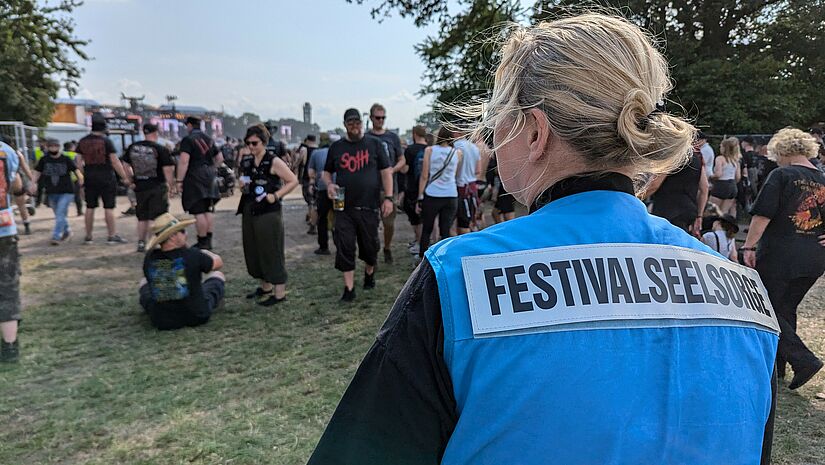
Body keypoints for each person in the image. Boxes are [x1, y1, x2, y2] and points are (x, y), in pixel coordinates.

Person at [308, 14, 780, 465]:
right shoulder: (746, 295)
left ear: (536, 132)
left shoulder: (459, 277)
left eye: (498, 117)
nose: (492, 136)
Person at [742, 127, 825, 391]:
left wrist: (748, 248)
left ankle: (803, 360)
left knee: (767, 309)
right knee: (785, 308)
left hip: (780, 254)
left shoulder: (782, 175)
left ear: (783, 151)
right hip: (814, 258)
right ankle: (778, 368)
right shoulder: (823, 179)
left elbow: (762, 215)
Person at [323, 108, 394, 302]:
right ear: (345, 125)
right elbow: (326, 172)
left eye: (357, 123)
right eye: (350, 123)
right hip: (343, 206)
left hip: (369, 206)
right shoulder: (336, 147)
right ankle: (349, 289)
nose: (354, 126)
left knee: (370, 247)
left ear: (362, 124)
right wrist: (329, 184)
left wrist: (389, 198)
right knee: (344, 245)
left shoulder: (374, 144)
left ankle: (369, 272)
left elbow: (386, 172)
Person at [236, 124, 299, 306]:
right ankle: (265, 286)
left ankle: (279, 293)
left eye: (255, 143)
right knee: (254, 249)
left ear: (264, 142)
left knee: (271, 249)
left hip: (268, 212)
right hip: (250, 208)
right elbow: (245, 180)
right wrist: (242, 184)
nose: (251, 146)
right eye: (248, 143)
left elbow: (293, 180)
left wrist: (276, 196)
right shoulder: (248, 160)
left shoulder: (273, 161)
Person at [76, 114, 133, 245]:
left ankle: (88, 236)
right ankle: (112, 235)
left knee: (90, 207)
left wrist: (84, 175)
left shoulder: (83, 141)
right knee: (108, 207)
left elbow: (78, 162)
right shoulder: (106, 141)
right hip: (106, 177)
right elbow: (114, 161)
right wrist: (124, 177)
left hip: (89, 178)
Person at [122, 123, 176, 253]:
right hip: (157, 186)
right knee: (158, 216)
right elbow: (168, 169)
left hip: (140, 186)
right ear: (155, 133)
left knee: (142, 217)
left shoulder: (133, 147)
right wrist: (172, 185)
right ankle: (154, 243)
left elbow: (125, 164)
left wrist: (130, 178)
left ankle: (141, 242)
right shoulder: (160, 149)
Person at [176, 116, 222, 250]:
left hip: (194, 176)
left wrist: (179, 180)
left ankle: (202, 241)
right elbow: (220, 158)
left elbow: (184, 161)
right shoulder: (209, 139)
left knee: (199, 211)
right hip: (209, 175)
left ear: (190, 126)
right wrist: (212, 168)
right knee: (208, 209)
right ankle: (208, 240)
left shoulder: (188, 139)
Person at [416, 126, 462, 259]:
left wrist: (420, 196)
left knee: (427, 229)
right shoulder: (457, 153)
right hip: (451, 194)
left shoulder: (429, 150)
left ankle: (422, 258)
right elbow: (456, 174)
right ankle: (444, 259)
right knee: (445, 230)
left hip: (432, 194)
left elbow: (424, 175)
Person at [647, 137, 710, 234]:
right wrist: (700, 215)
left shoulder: (671, 157)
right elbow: (704, 188)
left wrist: (634, 197)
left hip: (668, 209)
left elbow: (655, 184)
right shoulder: (696, 159)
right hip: (689, 209)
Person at [368, 103, 405, 264]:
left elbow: (402, 159)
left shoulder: (392, 137)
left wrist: (392, 170)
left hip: (389, 188)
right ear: (371, 118)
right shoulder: (366, 138)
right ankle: (373, 249)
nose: (380, 120)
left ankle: (387, 247)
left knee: (389, 223)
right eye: (377, 117)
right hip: (370, 188)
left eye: (383, 117)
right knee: (370, 223)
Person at [30, 138, 84, 245]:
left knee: (60, 213)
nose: (53, 148)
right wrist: (33, 183)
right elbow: (37, 172)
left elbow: (76, 169)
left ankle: (56, 236)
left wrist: (81, 178)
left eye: (55, 146)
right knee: (59, 215)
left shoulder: (66, 159)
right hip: (51, 191)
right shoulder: (44, 160)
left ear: (59, 147)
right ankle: (67, 231)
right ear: (48, 147)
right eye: (51, 146)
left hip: (66, 191)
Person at [0, 141, 23, 362]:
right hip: (3, 228)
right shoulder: (5, 150)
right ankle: (9, 346)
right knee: (7, 286)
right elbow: (16, 186)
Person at [401, 126, 429, 255]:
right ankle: (426, 242)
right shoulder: (430, 149)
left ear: (414, 134)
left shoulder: (410, 150)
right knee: (426, 217)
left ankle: (419, 242)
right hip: (429, 188)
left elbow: (405, 169)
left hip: (412, 188)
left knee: (415, 218)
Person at [453, 130, 483, 235]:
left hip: (459, 186)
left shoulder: (455, 146)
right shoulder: (474, 147)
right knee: (468, 219)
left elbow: (454, 169)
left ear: (458, 132)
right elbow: (478, 170)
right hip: (472, 187)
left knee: (459, 221)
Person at [307, 133, 332, 255]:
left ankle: (324, 247)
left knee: (322, 218)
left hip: (323, 189)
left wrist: (312, 184)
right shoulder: (337, 151)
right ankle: (343, 245)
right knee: (341, 217)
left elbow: (311, 172)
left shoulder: (315, 153)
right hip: (339, 190)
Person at [709, 136, 741, 217]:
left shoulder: (720, 159)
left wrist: (711, 177)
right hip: (732, 185)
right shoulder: (735, 160)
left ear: (724, 148)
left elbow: (718, 174)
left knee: (713, 210)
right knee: (724, 212)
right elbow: (738, 177)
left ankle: (712, 227)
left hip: (721, 185)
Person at [295, 135, 319, 235]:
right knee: (314, 199)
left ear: (307, 140)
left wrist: (294, 167)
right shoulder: (318, 150)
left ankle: (311, 218)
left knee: (309, 199)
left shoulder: (305, 149)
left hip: (306, 176)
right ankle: (312, 216)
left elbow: (300, 161)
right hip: (317, 177)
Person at [63, 141, 83, 216]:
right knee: (77, 195)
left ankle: (64, 212)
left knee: (64, 196)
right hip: (74, 177)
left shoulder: (61, 155)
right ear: (71, 147)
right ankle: (79, 211)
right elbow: (79, 166)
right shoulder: (75, 155)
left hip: (64, 178)